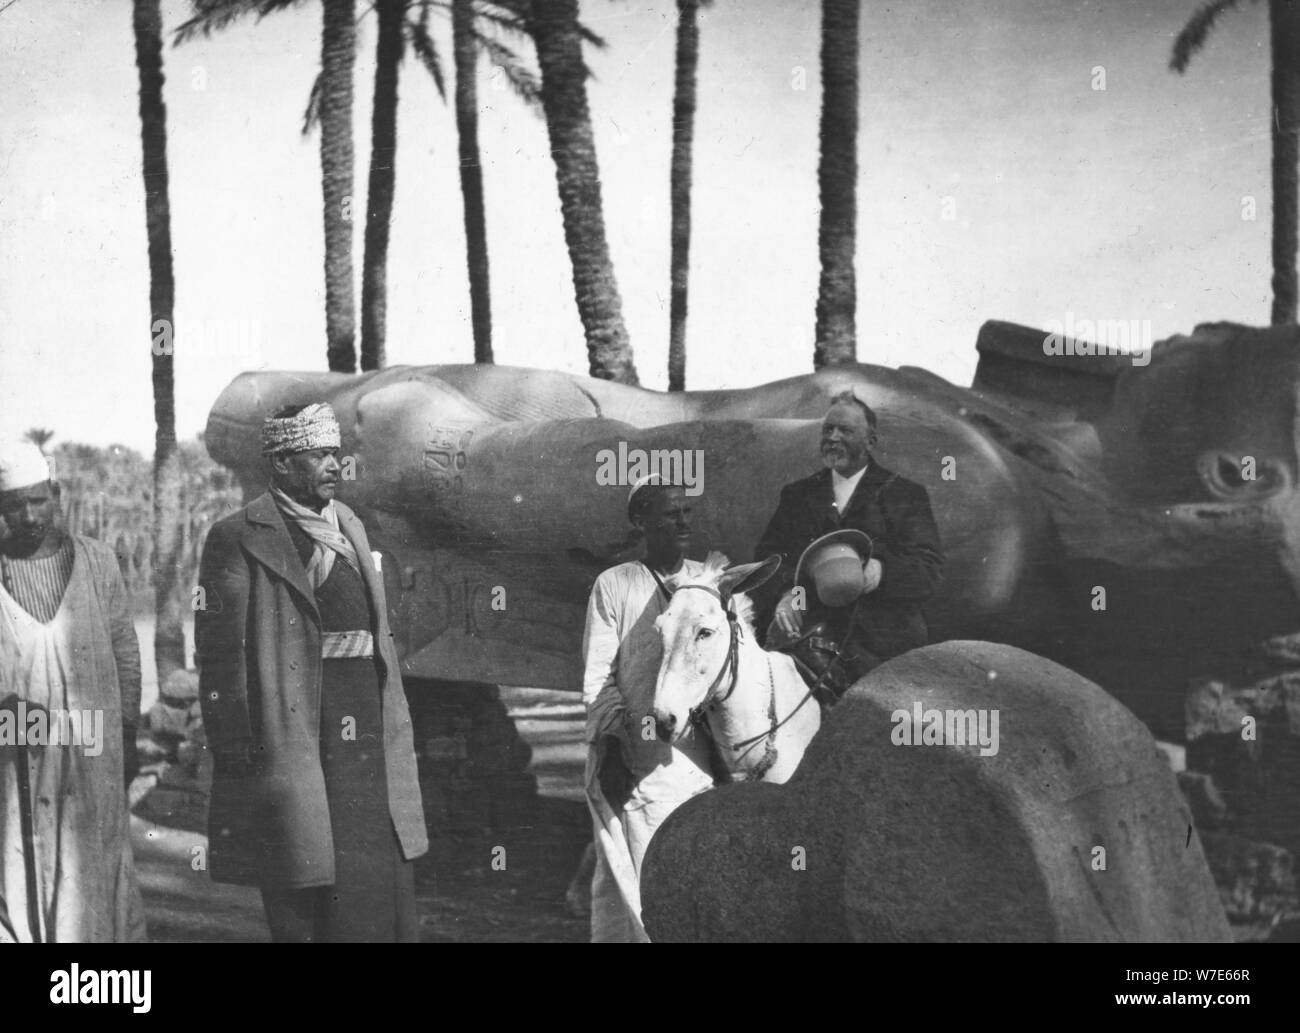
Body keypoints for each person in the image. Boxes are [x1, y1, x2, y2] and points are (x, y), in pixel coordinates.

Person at [195, 403, 427, 942]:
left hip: (366, 717)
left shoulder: (348, 523)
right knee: (305, 864)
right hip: (295, 724)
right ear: (281, 464)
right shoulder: (238, 535)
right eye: (318, 455)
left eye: (335, 454)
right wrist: (235, 745)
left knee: (373, 857)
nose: (333, 465)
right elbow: (220, 653)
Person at [0, 440, 146, 943]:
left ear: (56, 494)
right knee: (22, 859)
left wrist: (127, 730)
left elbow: (126, 650)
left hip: (94, 747)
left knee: (97, 861)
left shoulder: (97, 560)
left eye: (38, 500)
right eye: (15, 504)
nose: (28, 513)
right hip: (18, 753)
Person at [581, 477, 716, 942]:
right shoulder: (614, 585)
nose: (682, 520)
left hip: (701, 763)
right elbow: (599, 679)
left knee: (701, 888)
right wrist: (616, 745)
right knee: (639, 895)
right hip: (640, 768)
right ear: (641, 521)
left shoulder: (708, 583)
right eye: (669, 512)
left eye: (686, 511)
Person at [753, 390, 944, 698]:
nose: (833, 437)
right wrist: (789, 595)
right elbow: (769, 559)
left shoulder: (905, 495)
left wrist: (883, 571)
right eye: (828, 429)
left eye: (845, 430)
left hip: (882, 645)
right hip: (809, 641)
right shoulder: (798, 495)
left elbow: (930, 569)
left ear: (870, 442)